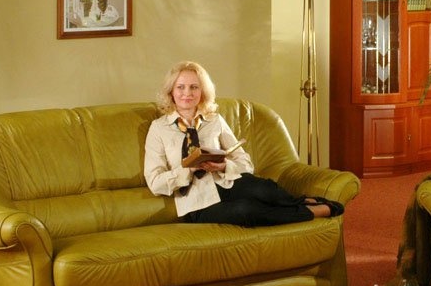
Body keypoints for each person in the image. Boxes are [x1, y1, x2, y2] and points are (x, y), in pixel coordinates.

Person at [144, 60, 343, 226]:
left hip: (226, 182)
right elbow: (154, 182)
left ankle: (304, 201)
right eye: (180, 87)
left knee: (265, 189)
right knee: (246, 210)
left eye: (194, 87)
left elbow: (245, 163)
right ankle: (313, 211)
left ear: (202, 91)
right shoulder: (158, 128)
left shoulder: (214, 120)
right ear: (171, 91)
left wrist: (223, 165)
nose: (187, 93)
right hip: (197, 202)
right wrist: (188, 170)